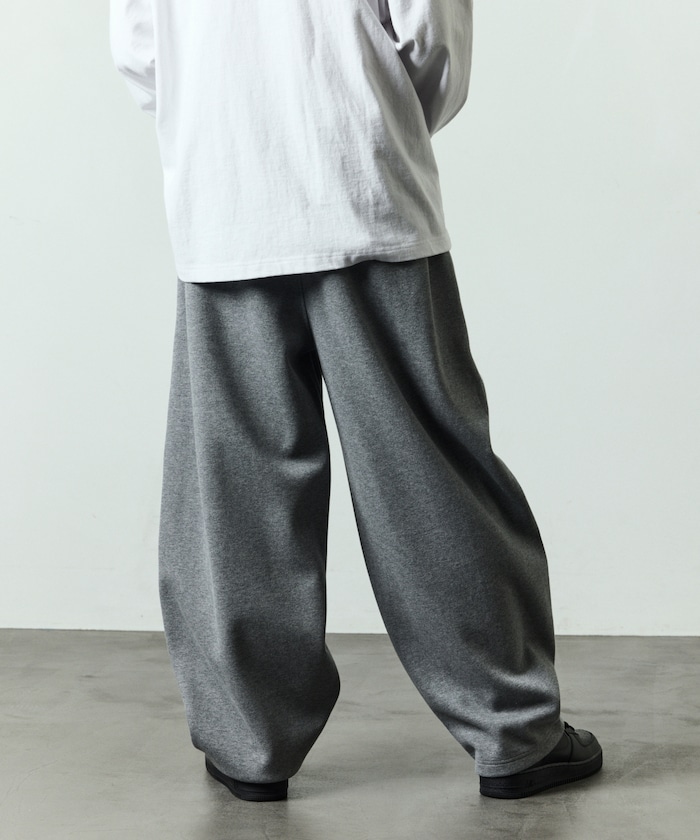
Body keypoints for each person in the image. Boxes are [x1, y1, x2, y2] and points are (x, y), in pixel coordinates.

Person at [109, 0, 603, 802]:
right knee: (429, 471)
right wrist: (372, 111)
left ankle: (248, 743)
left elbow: (138, 47)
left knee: (232, 487)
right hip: (360, 174)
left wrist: (222, 107)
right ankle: (512, 729)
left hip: (223, 182)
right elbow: (431, 35)